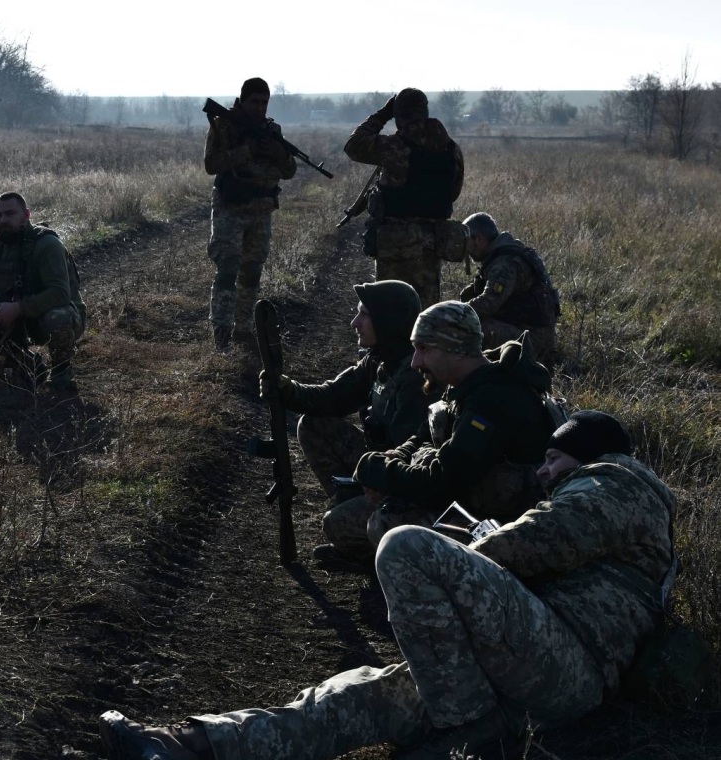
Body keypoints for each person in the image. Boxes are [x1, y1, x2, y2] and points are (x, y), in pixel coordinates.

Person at [98, 411, 677, 760]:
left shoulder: (621, 482)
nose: (544, 473)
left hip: (565, 665)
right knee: (352, 699)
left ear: (588, 456)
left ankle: (469, 727)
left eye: (554, 460)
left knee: (404, 544)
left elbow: (536, 542)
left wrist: (456, 551)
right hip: (522, 665)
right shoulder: (605, 497)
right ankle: (188, 745)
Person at [258, 281, 438, 560]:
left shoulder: (414, 379)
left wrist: (377, 486)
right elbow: (333, 396)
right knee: (313, 424)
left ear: (387, 320)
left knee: (337, 525)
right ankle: (355, 505)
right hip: (379, 464)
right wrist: (287, 389)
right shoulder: (378, 360)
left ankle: (378, 547)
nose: (355, 323)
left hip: (403, 481)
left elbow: (412, 463)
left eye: (364, 314)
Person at [352, 301, 555, 546]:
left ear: (457, 350)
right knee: (343, 520)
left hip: (506, 528)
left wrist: (377, 470)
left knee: (384, 524)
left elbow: (441, 484)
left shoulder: (492, 401)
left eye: (424, 349)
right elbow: (423, 436)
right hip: (465, 502)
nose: (415, 362)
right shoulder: (463, 383)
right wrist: (393, 458)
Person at [344, 88, 465, 307]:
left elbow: (353, 146)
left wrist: (382, 114)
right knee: (424, 311)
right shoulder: (451, 149)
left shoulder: (396, 146)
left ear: (399, 116)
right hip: (433, 242)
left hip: (395, 242)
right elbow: (453, 193)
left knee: (391, 310)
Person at [0, 192, 86, 388]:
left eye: (10, 214)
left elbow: (60, 294)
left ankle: (61, 371)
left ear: (26, 215)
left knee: (57, 316)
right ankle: (26, 363)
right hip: (15, 319)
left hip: (56, 317)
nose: (3, 220)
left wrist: (17, 308)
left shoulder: (47, 245)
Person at [204, 78, 297, 350]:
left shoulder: (272, 130)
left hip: (261, 210)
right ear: (242, 101)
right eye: (254, 102)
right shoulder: (224, 125)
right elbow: (211, 164)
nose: (259, 107)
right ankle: (221, 331)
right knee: (227, 269)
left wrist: (278, 153)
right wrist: (249, 150)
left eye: (264, 102)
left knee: (252, 272)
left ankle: (243, 329)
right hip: (230, 209)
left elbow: (289, 171)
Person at [459, 212, 560, 362]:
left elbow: (488, 304)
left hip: (533, 337)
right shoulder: (500, 256)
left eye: (467, 241)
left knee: (474, 329)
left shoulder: (504, 264)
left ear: (479, 239)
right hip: (523, 328)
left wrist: (454, 315)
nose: (465, 248)